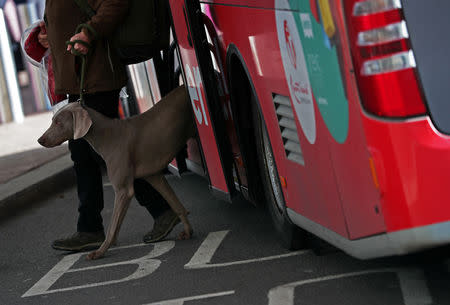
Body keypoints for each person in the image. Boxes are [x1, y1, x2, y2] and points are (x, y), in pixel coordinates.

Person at [38, 0, 179, 251]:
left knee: (99, 154)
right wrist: (48, 32)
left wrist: (88, 32)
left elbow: (116, 2)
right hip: (82, 80)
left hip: (95, 78)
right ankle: (97, 225)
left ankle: (96, 226)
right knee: (91, 155)